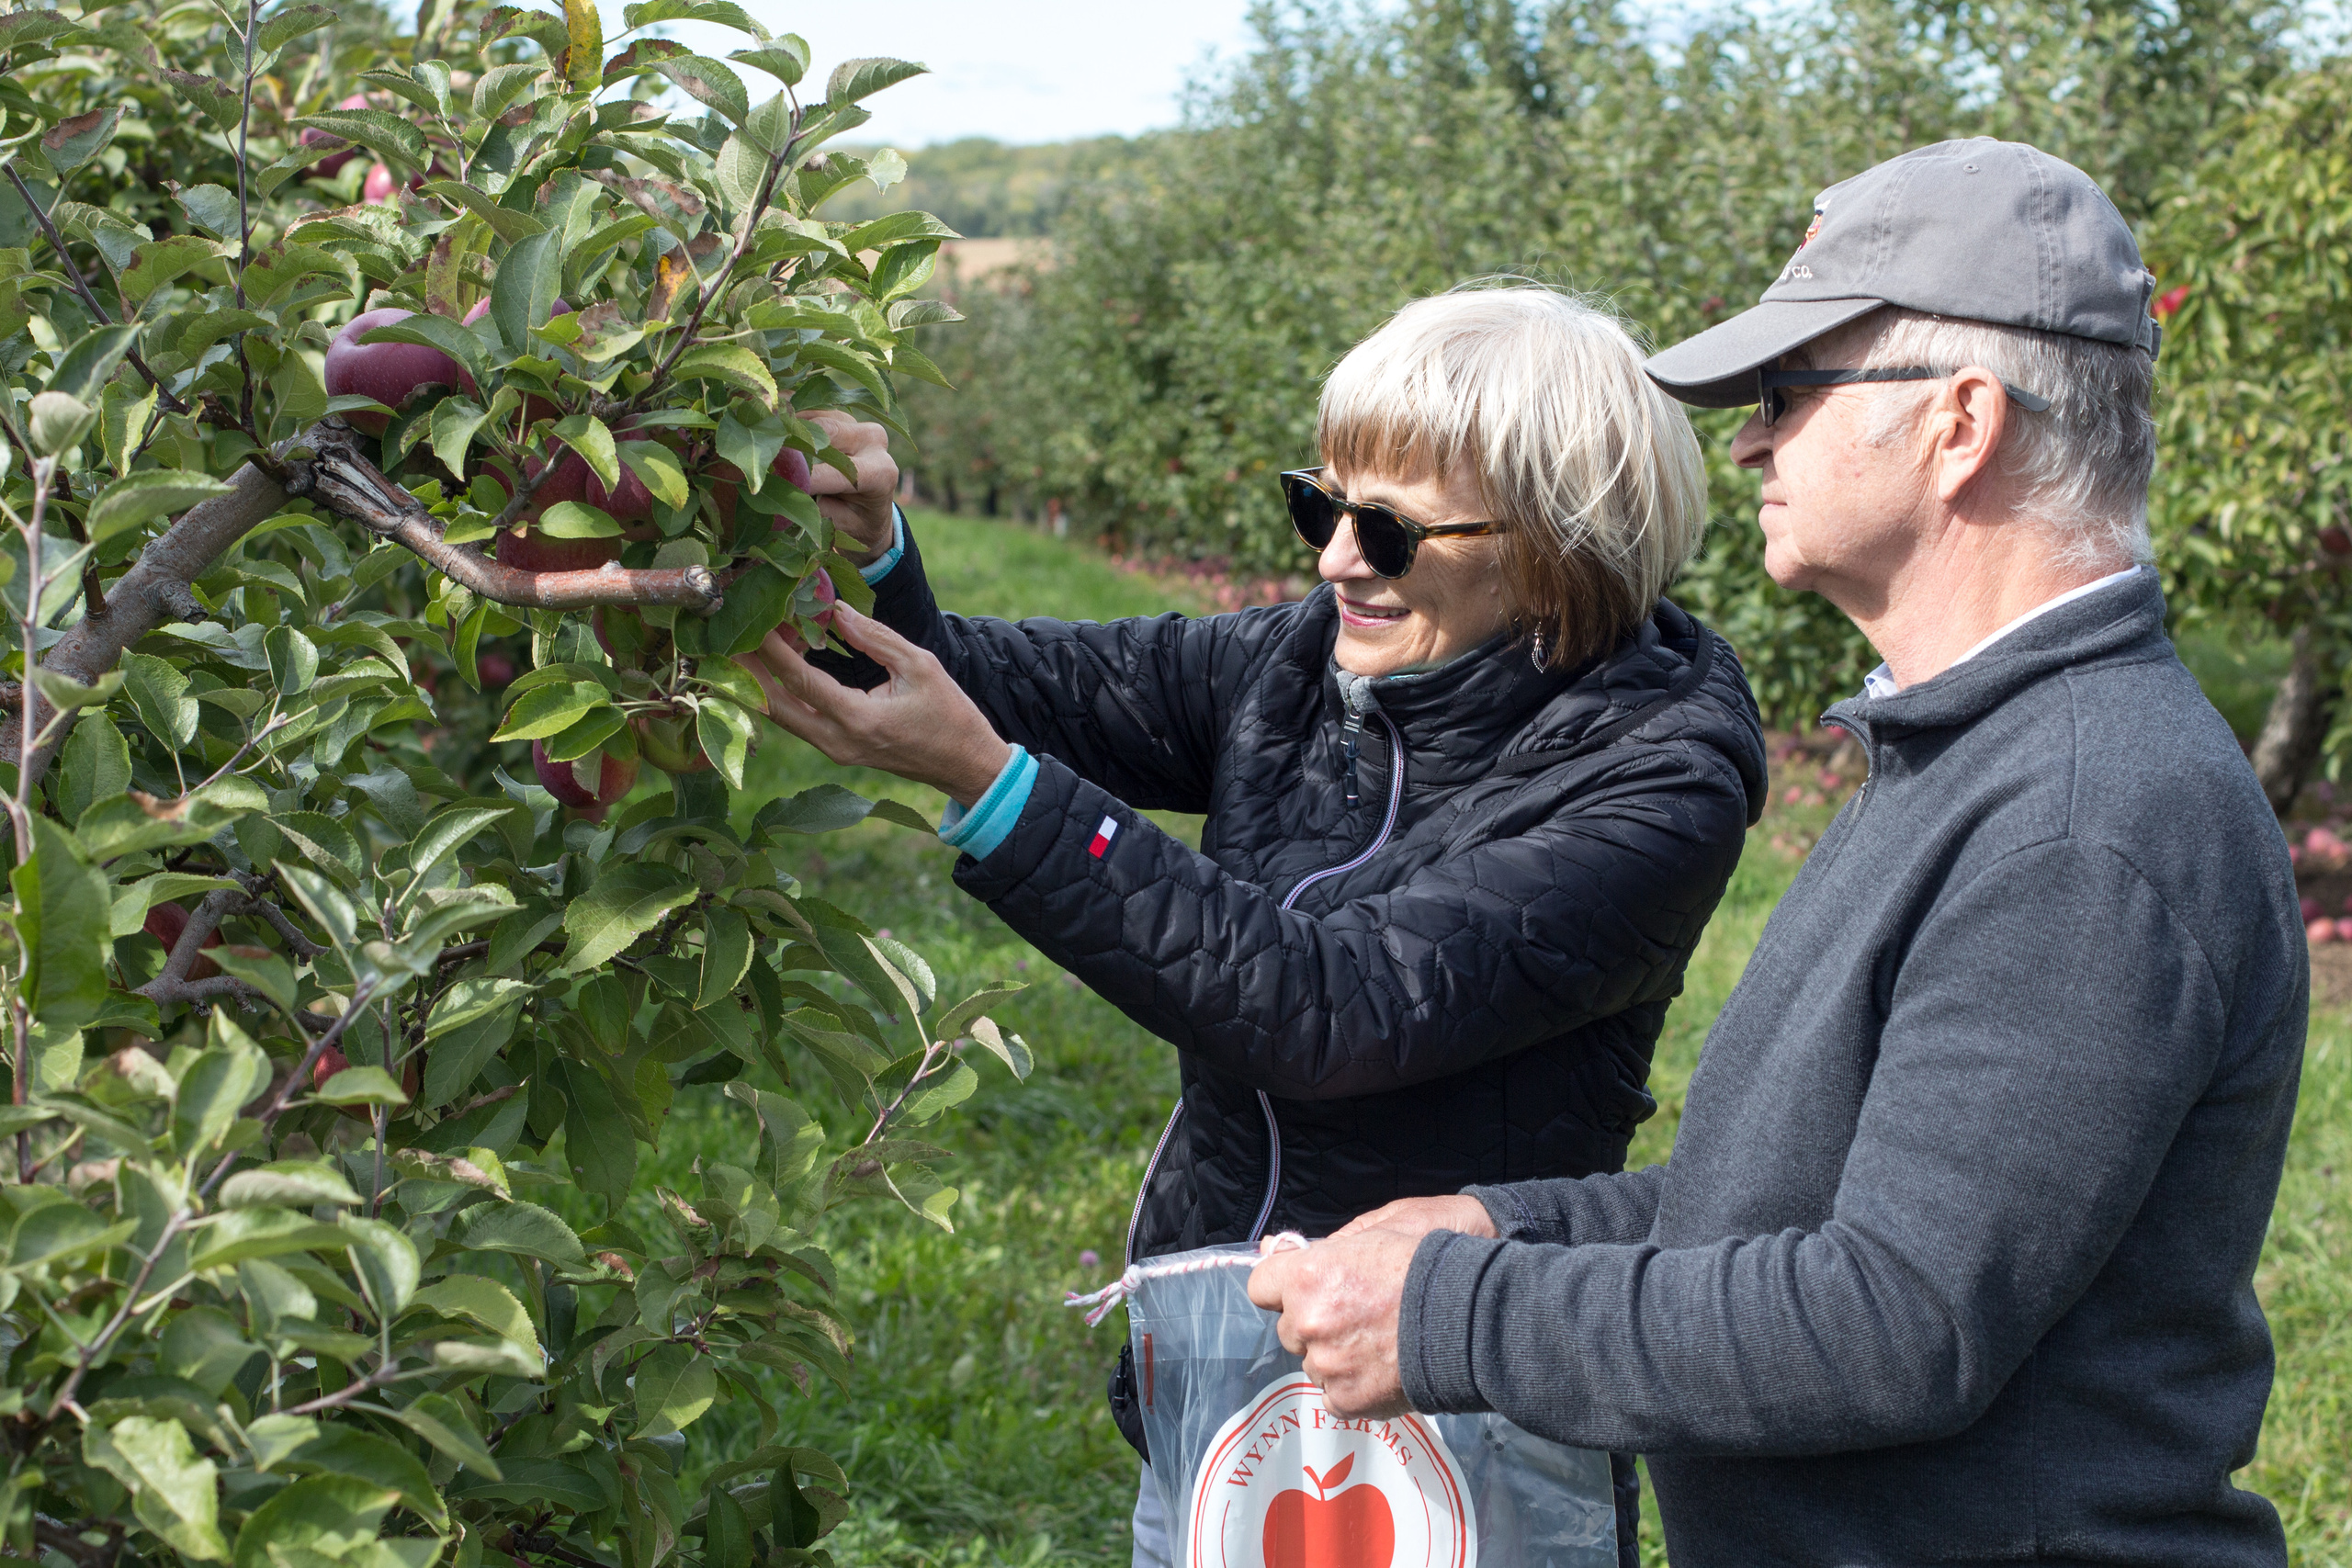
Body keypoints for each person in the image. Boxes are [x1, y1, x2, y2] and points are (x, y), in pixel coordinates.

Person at [1246, 138, 2307, 1565]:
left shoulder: (2083, 819)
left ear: (1959, 423)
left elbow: (1895, 1322)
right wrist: (1510, 1224)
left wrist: (1446, 1317)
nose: (1747, 441)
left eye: (1790, 395)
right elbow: (1803, 1205)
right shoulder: (1972, 758)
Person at [742, 285, 1769, 1564]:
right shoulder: (1296, 668)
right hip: (1235, 1359)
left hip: (1458, 1400)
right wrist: (866, 554)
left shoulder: (1653, 777)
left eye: (1386, 530)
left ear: (1560, 542)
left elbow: (1331, 1009)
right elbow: (1005, 686)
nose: (1335, 558)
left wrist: (999, 795)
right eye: (1321, 504)